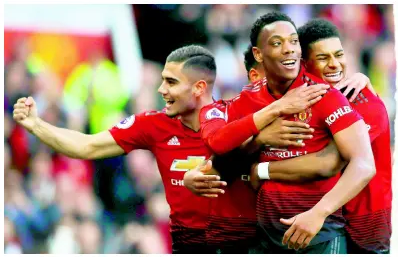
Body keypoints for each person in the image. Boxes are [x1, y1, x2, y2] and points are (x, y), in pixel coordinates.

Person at [13, 44, 326, 253]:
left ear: (199, 88)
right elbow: (87, 145)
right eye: (162, 80)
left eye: (171, 82)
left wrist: (356, 82)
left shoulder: (243, 118)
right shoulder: (152, 125)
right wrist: (37, 125)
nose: (161, 90)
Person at [199, 11, 375, 254]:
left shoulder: (322, 95)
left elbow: (364, 164)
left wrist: (318, 213)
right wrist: (265, 129)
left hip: (320, 235)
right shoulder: (249, 99)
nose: (289, 49)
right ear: (258, 55)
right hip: (265, 238)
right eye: (277, 43)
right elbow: (220, 150)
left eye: (293, 41)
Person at [298, 18, 392, 254]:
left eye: (339, 55)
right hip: (328, 220)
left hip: (367, 223)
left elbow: (330, 160)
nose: (334, 64)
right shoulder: (305, 102)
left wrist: (263, 169)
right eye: (323, 58)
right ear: (304, 64)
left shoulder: (363, 101)